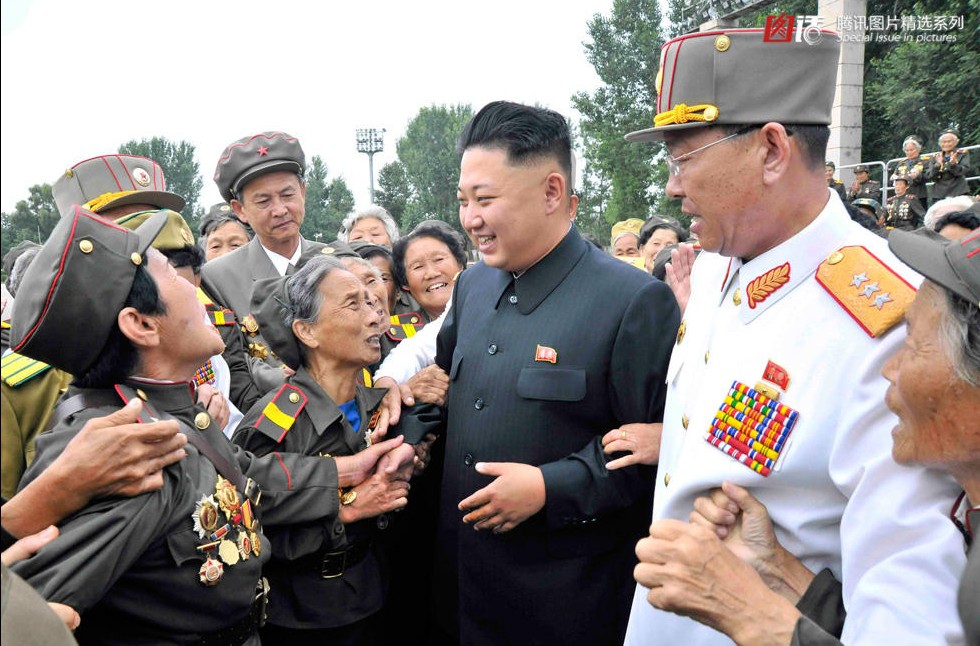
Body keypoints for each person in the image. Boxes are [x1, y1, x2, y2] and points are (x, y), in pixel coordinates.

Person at [618, 28, 966, 645]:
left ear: (772, 149)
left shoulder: (890, 320)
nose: (671, 187)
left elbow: (908, 613)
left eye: (682, 158)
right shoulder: (718, 265)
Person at [9, 208, 406, 643]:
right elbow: (25, 608)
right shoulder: (127, 448)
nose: (195, 285)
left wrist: (348, 473)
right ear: (141, 324)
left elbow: (245, 473)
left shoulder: (165, 412)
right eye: (171, 274)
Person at [633, 228, 980, 645]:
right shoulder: (712, 271)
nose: (890, 369)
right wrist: (778, 569)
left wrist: (749, 613)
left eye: (916, 346)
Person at [429, 101, 680, 645]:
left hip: (564, 602)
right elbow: (442, 390)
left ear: (551, 191)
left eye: (485, 199)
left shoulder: (633, 301)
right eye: (464, 201)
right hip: (464, 594)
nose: (470, 219)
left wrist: (550, 487)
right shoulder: (472, 286)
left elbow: (656, 456)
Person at [233, 256, 412, 644]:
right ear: (306, 331)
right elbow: (247, 522)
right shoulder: (275, 421)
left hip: (375, 595)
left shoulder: (384, 406)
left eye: (371, 301)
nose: (375, 316)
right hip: (302, 615)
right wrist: (345, 507)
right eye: (353, 304)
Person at [51, 153, 260, 415]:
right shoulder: (58, 359)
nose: (144, 236)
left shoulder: (201, 320)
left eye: (153, 217)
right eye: (122, 226)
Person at [202, 131, 351, 393]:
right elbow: (231, 364)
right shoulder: (218, 279)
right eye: (264, 201)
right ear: (240, 210)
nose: (280, 210)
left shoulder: (341, 262)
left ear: (303, 192)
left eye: (287, 195)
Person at [391, 220, 467, 325]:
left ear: (460, 264)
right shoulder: (397, 331)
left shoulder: (489, 311)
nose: (431, 274)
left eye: (439, 259)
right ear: (405, 283)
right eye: (418, 267)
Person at [926, 128, 973, 201]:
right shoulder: (935, 157)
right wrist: (937, 165)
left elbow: (964, 171)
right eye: (944, 142)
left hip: (959, 191)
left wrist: (953, 165)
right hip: (939, 193)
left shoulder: (962, 154)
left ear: (956, 142)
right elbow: (930, 176)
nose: (946, 144)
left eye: (949, 141)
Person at [890, 135, 928, 209]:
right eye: (907, 150)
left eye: (911, 150)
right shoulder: (901, 163)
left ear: (918, 149)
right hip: (902, 196)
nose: (909, 152)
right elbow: (894, 178)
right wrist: (893, 178)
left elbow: (928, 176)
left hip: (918, 195)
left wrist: (917, 175)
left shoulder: (925, 161)